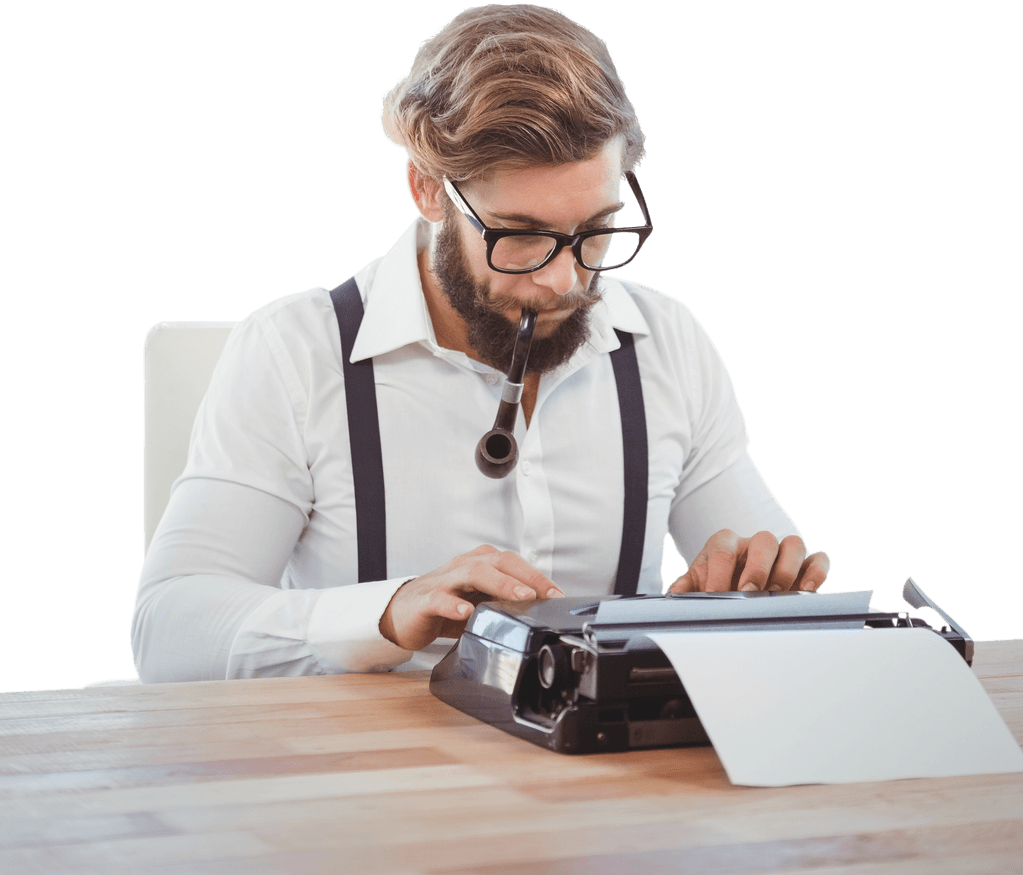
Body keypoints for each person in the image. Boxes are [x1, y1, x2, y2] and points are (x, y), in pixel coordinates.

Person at [131, 3, 829, 683]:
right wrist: (385, 611)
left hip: (613, 790)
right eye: (520, 233)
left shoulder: (667, 343)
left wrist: (752, 592)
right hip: (373, 784)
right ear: (427, 191)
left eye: (595, 230)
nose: (563, 279)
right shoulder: (290, 353)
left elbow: (779, 589)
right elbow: (168, 629)